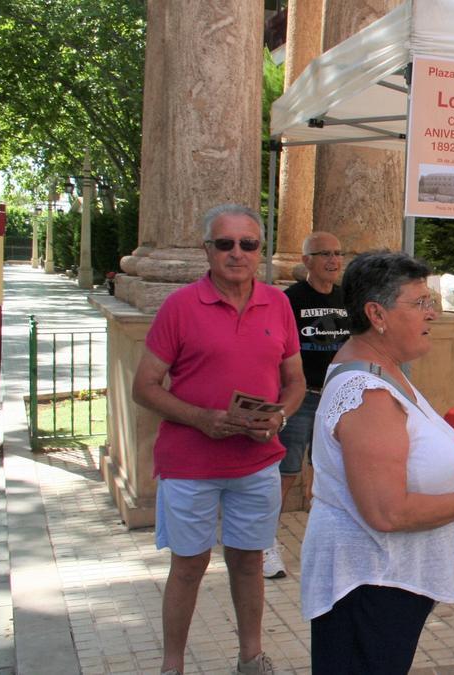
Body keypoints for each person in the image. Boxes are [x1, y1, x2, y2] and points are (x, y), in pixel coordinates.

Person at [301, 251, 454, 675]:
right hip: (368, 584)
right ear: (377, 313)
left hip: (386, 583)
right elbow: (387, 511)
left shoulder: (385, 369)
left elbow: (400, 465)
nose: (433, 313)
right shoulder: (368, 393)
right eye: (421, 302)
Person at [132, 204, 306, 675]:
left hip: (256, 463)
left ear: (259, 251)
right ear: (207, 250)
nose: (237, 253)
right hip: (190, 465)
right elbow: (143, 386)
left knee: (249, 564)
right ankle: (173, 667)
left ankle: (251, 659)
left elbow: (295, 382)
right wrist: (200, 418)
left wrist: (279, 418)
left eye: (247, 244)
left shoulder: (279, 303)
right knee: (187, 568)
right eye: (224, 243)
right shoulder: (180, 306)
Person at [262, 231, 350, 579]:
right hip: (302, 399)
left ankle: (326, 544)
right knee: (285, 473)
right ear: (306, 261)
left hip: (338, 400)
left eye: (338, 253)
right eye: (324, 253)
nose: (333, 260)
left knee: (331, 475)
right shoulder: (290, 299)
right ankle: (265, 545)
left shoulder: (346, 298)